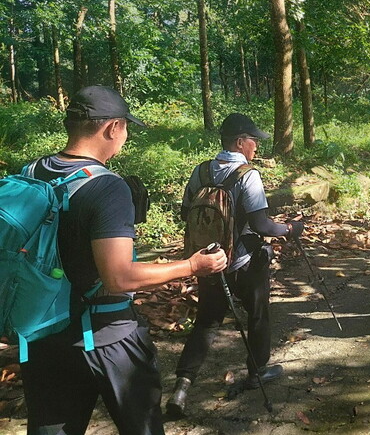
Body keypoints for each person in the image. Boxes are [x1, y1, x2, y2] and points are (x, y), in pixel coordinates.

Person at [19, 85, 227, 435]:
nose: (125, 136)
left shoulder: (31, 172)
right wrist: (192, 266)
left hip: (43, 336)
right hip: (106, 337)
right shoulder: (107, 187)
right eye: (126, 128)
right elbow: (119, 278)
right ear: (112, 128)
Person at [166, 113, 305, 418]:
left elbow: (185, 213)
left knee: (206, 322)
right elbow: (261, 224)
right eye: (254, 140)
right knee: (257, 315)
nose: (256, 146)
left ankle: (182, 386)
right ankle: (257, 374)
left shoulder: (201, 171)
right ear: (240, 141)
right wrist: (290, 230)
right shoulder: (247, 174)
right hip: (243, 261)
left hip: (209, 261)